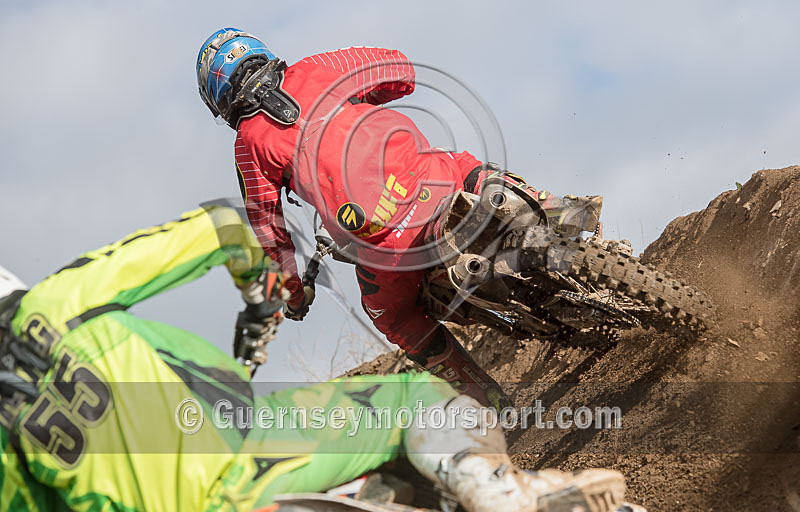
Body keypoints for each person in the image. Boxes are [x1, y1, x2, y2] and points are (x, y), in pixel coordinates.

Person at [0, 204, 639, 512]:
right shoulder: (58, 303)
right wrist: (257, 297)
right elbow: (225, 226)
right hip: (245, 459)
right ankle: (500, 495)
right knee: (414, 397)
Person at [196, 28, 515, 411]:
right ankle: (559, 216)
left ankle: (486, 399)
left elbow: (272, 235)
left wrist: (295, 296)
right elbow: (400, 69)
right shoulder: (318, 67)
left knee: (392, 317)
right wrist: (364, 97)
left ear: (219, 97)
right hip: (434, 179)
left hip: (386, 247)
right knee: (475, 172)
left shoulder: (248, 146)